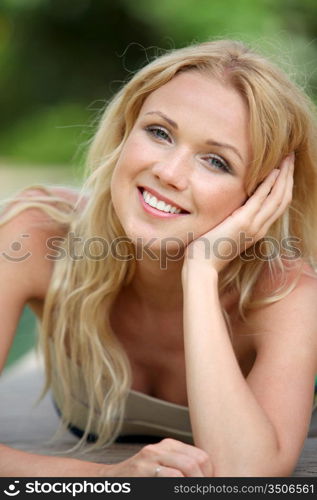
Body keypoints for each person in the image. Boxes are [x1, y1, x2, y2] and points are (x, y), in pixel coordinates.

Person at [1, 38, 317, 478]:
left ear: (262, 195)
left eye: (215, 161)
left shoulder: (288, 291)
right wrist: (111, 479)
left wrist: (202, 272)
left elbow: (245, 476)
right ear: (126, 131)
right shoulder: (36, 233)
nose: (169, 173)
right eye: (159, 133)